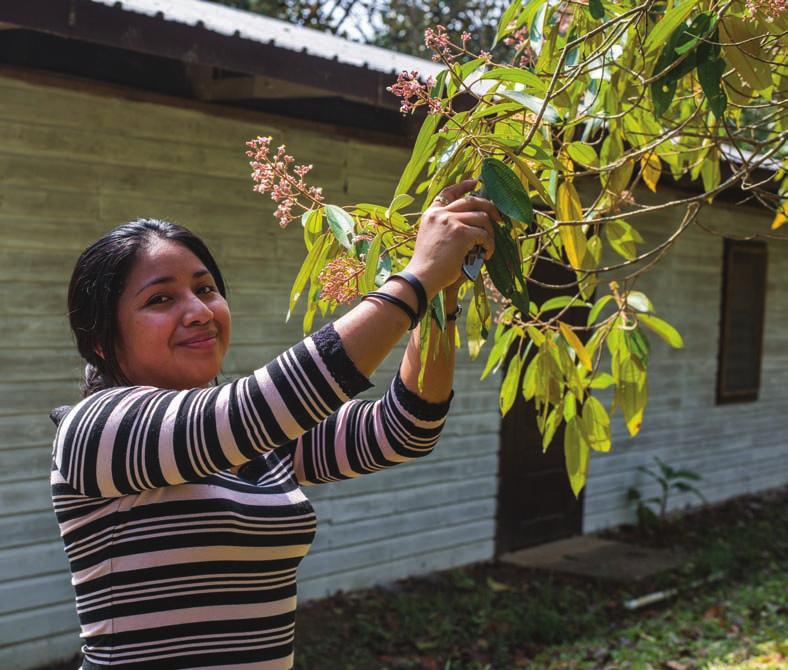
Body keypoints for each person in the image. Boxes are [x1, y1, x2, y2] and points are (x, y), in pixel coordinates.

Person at [50, 179, 498, 670]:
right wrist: (417, 276)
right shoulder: (93, 431)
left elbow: (404, 429)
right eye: (160, 300)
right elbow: (269, 403)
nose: (199, 312)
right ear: (100, 340)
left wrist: (439, 300)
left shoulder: (256, 440)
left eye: (205, 289)